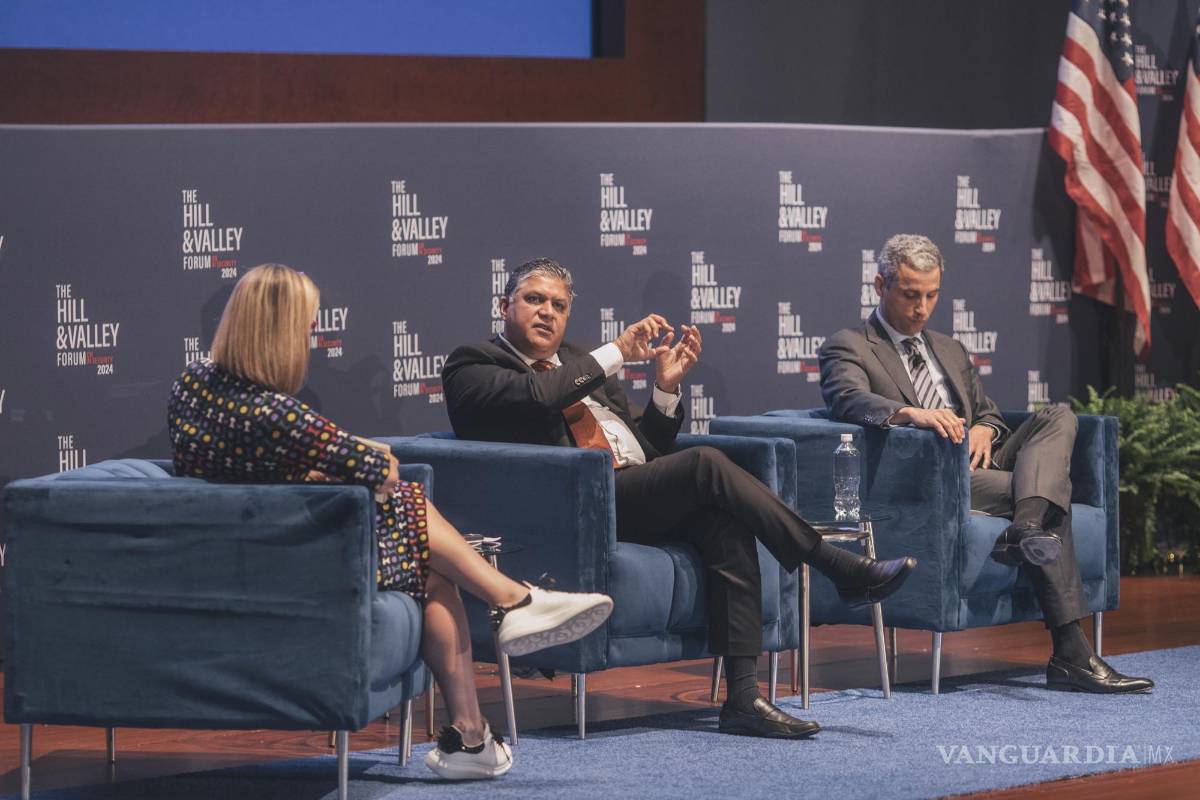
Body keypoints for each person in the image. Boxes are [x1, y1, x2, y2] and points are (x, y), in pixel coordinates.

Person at [168, 263, 613, 780]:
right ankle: (512, 601)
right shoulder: (277, 413)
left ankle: (472, 735)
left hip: (249, 541)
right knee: (408, 505)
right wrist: (350, 460)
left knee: (428, 564)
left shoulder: (194, 386)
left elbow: (234, 462)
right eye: (307, 327)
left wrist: (316, 466)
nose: (312, 338)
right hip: (291, 558)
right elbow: (381, 466)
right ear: (279, 333)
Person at [442, 257, 918, 740]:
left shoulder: (580, 364)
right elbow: (539, 394)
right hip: (573, 507)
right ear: (505, 306)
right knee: (705, 462)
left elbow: (648, 450)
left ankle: (743, 698)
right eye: (534, 300)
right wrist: (615, 352)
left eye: (559, 305)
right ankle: (834, 563)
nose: (547, 312)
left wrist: (665, 391)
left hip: (631, 490)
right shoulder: (474, 365)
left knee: (723, 523)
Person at [819, 234, 1153, 694]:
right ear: (880, 285)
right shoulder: (850, 345)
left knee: (1058, 416)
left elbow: (990, 413)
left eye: (931, 295)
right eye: (910, 295)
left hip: (981, 460)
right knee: (1048, 493)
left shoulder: (949, 348)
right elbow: (849, 400)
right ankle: (1072, 652)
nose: (922, 308)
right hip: (934, 476)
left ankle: (1027, 524)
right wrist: (912, 413)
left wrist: (986, 430)